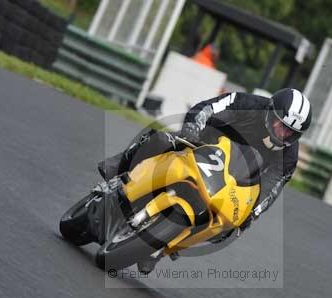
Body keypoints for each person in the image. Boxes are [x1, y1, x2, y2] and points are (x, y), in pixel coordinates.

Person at [97, 88, 312, 273]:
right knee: (161, 139)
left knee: (227, 228)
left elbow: (271, 188)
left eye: (291, 133)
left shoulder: (289, 156)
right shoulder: (248, 103)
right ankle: (119, 169)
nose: (283, 134)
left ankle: (162, 247)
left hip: (231, 179)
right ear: (270, 111)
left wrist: (252, 213)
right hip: (200, 143)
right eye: (280, 125)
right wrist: (193, 128)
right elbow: (209, 107)